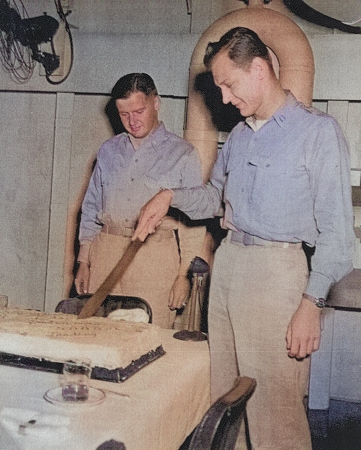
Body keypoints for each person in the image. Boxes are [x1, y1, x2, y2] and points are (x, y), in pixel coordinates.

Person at [133, 28, 355, 449]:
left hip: (279, 274)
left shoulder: (318, 133)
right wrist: (169, 197)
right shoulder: (237, 137)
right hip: (230, 266)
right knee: (224, 400)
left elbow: (339, 238)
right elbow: (217, 198)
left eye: (228, 85)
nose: (224, 98)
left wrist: (312, 303)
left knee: (274, 412)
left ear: (258, 69)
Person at [75, 73, 206, 328]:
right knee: (96, 332)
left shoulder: (183, 154)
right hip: (105, 253)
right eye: (124, 114)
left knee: (149, 338)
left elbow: (193, 224)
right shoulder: (107, 151)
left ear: (156, 103)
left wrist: (183, 276)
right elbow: (90, 208)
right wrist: (83, 261)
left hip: (154, 258)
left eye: (139, 111)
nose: (132, 121)